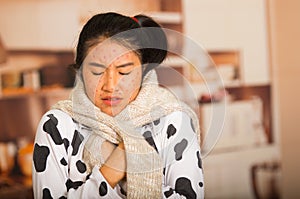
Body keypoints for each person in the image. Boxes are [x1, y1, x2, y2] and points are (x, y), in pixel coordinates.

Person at [32, 12, 204, 199]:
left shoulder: (173, 121)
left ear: (143, 71)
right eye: (97, 71)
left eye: (124, 72)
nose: (110, 86)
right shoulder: (57, 125)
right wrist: (117, 163)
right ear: (80, 71)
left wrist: (130, 161)